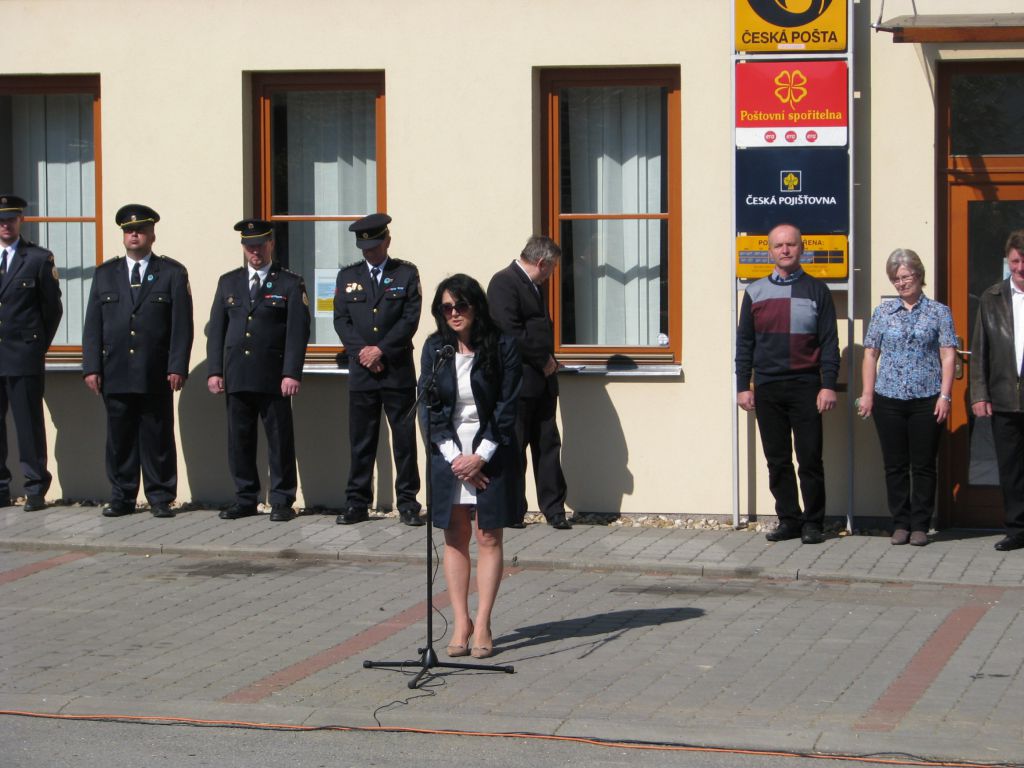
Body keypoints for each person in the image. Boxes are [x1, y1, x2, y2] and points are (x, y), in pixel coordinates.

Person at [420, 274, 522, 659]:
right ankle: (460, 621)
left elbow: (507, 405)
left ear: (476, 306)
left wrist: (480, 456)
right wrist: (456, 459)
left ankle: (483, 623)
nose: (454, 313)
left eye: (460, 305)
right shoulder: (436, 348)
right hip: (449, 452)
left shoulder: (503, 345)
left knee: (488, 536)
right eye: (446, 307)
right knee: (455, 535)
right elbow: (430, 407)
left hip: (491, 448)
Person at [82, 204, 194, 519]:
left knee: (157, 436)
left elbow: (181, 325)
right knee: (120, 438)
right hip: (115, 369)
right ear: (123, 236)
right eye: (129, 231)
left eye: (141, 230)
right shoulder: (106, 273)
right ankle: (122, 497)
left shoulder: (172, 273)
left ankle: (160, 496)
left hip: (155, 370)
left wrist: (177, 366)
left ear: (152, 234)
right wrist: (91, 367)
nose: (134, 235)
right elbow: (93, 325)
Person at [735, 223, 840, 544]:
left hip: (806, 385)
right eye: (778, 245)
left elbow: (829, 342)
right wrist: (743, 385)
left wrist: (828, 384)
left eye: (791, 244)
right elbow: (745, 343)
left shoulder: (817, 290)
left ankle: (813, 523)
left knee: (809, 459)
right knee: (777, 460)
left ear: (801, 249)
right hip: (767, 387)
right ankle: (789, 520)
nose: (785, 250)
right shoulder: (755, 292)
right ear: (769, 251)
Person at [207, 219, 311, 522]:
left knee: (279, 440)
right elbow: (217, 331)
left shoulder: (290, 283)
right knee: (239, 440)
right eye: (249, 246)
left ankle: (282, 499)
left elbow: (298, 332)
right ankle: (245, 498)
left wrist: (291, 372)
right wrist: (215, 371)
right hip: (237, 374)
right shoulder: (228, 282)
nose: (255, 251)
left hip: (273, 376)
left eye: (260, 245)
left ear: (271, 245)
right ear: (243, 248)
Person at [858, 249, 956, 547]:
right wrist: (867, 393)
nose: (901, 283)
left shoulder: (939, 312)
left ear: (919, 275)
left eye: (905, 277)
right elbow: (870, 354)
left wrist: (945, 395)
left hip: (927, 398)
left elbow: (948, 355)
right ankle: (900, 523)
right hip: (888, 399)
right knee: (895, 465)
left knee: (924, 465)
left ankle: (920, 525)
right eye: (895, 279)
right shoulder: (883, 313)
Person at [333, 213, 423, 526]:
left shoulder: (405, 274)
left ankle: (408, 502)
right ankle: (357, 502)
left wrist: (380, 349)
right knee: (361, 441)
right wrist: (363, 353)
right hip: (362, 372)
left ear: (387, 241)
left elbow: (409, 319)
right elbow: (341, 320)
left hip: (396, 371)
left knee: (404, 441)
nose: (369, 252)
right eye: (364, 248)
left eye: (373, 246)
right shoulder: (348, 276)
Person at [486, 235, 570, 530]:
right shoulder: (504, 282)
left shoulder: (533, 285)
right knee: (515, 448)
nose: (551, 275)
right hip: (519, 383)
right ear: (541, 263)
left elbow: (537, 329)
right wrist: (542, 359)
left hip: (543, 383)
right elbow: (509, 331)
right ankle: (513, 510)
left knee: (548, 445)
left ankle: (554, 509)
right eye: (552, 268)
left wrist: (550, 362)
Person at [0, 194, 63, 511]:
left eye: (10, 219)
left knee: (28, 424)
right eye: (1, 220)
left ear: (20, 220)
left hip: (23, 355)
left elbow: (52, 309)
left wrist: (37, 347)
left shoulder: (37, 258)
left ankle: (35, 487)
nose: (5, 225)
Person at [970, 229, 1024, 552]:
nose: (1020, 267)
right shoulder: (991, 298)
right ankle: (1017, 529)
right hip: (1004, 399)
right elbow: (980, 351)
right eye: (1015, 261)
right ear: (1008, 261)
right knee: (1010, 468)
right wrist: (979, 394)